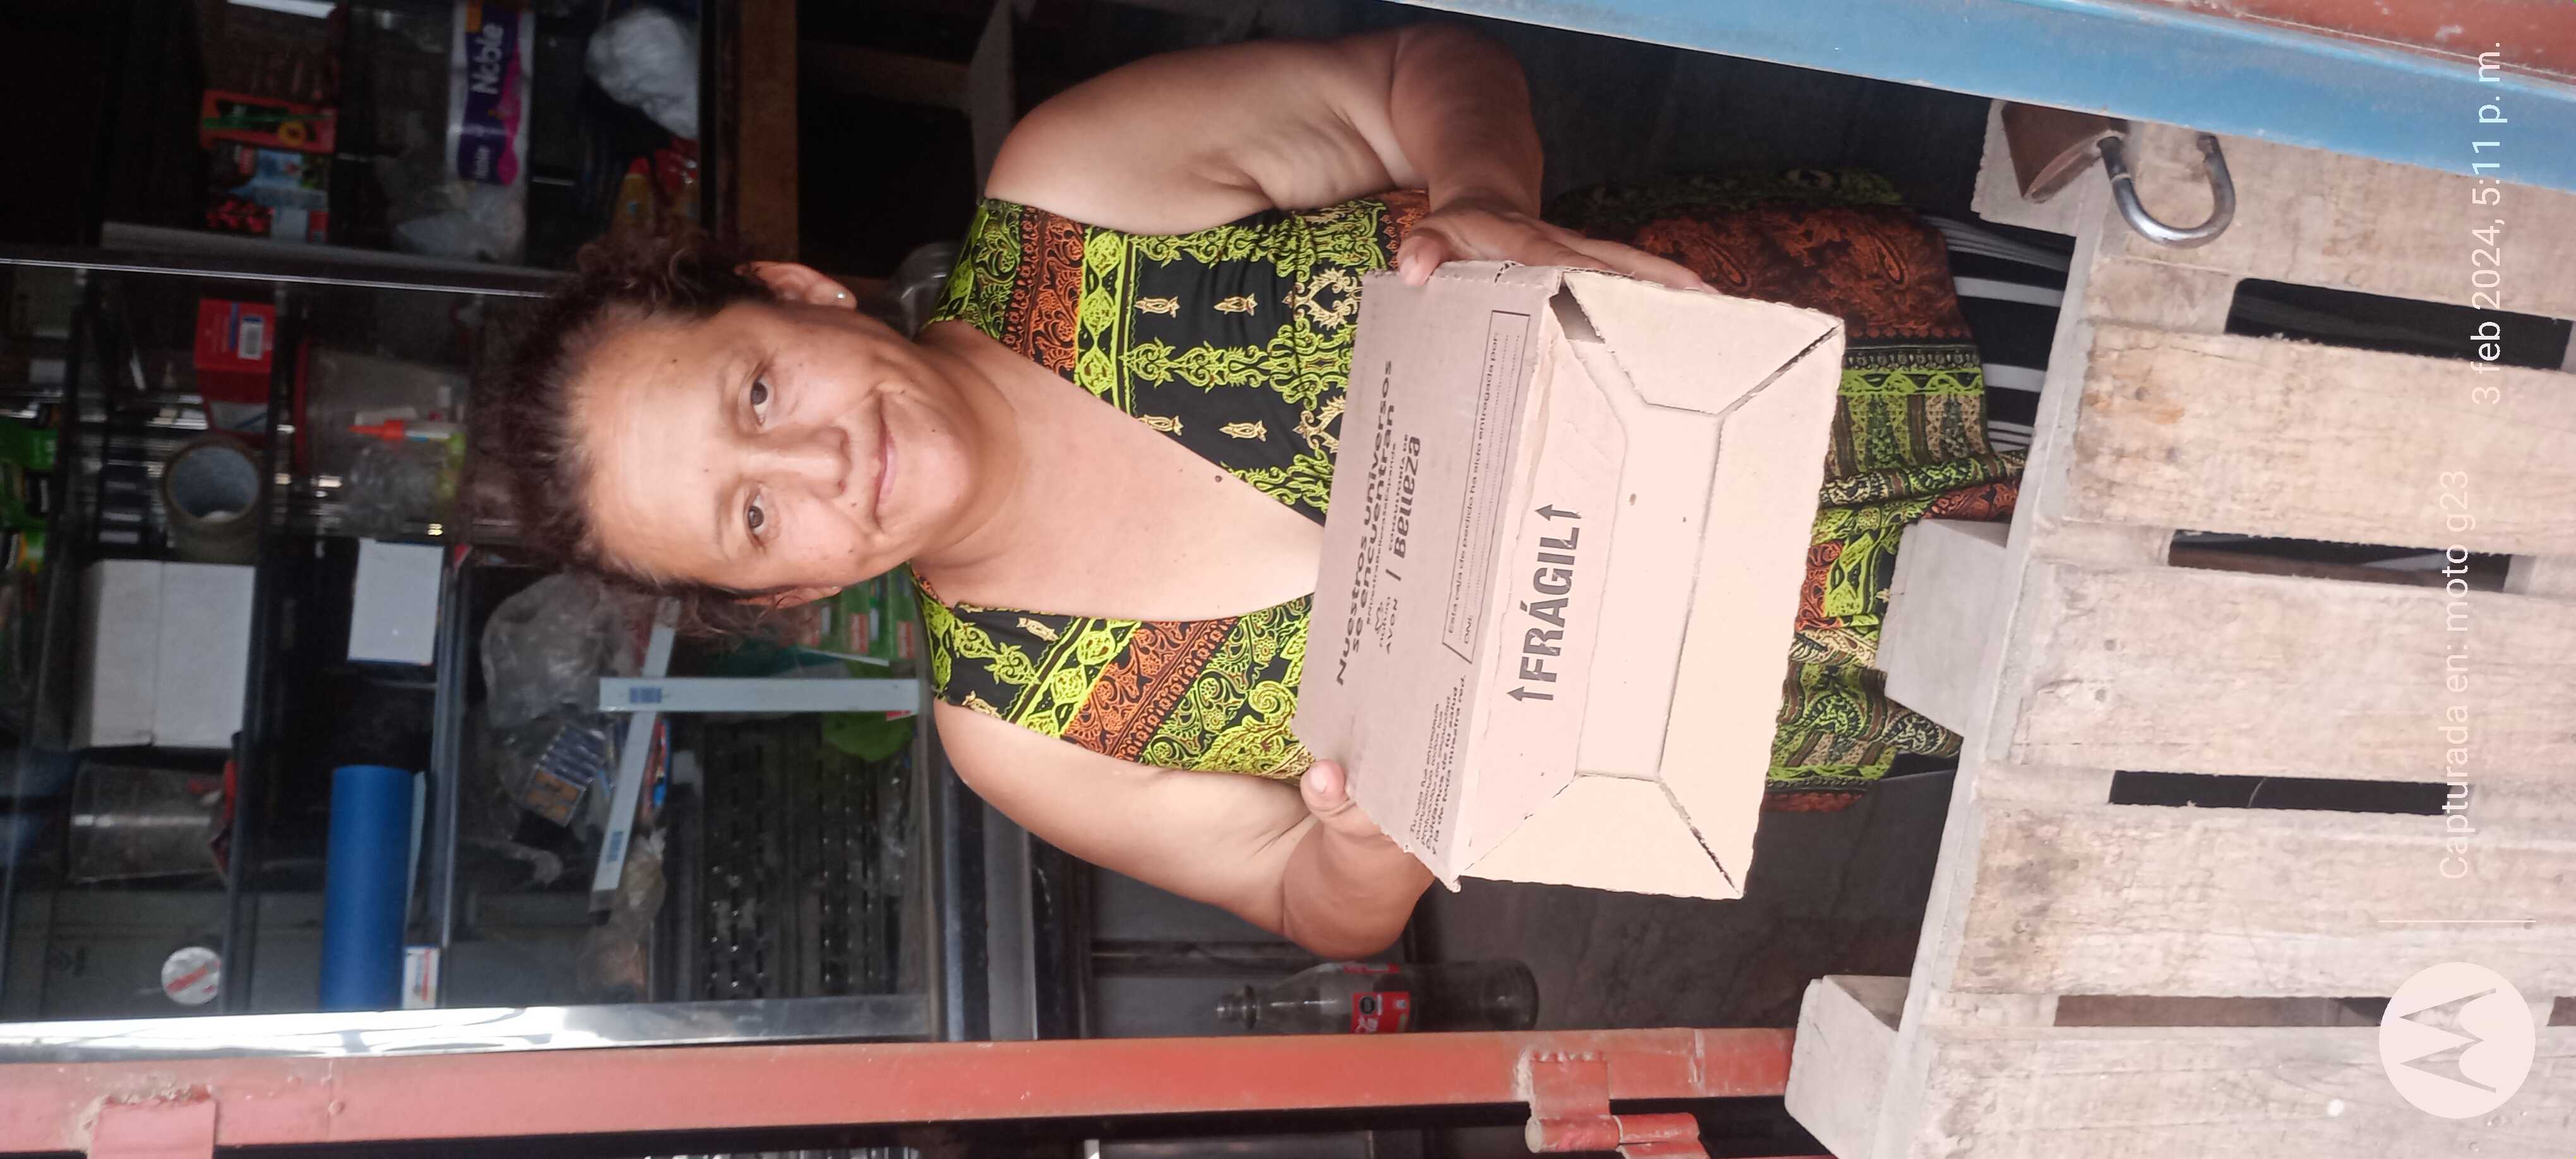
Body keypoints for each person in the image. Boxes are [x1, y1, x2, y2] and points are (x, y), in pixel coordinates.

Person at [474, 25, 2027, 958]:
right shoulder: (1020, 727)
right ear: (793, 592)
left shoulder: (1080, 192)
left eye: (758, 393)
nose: (816, 464)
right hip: (1844, 681)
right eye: (754, 519)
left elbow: (1421, 72)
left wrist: (1485, 203)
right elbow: (1311, 906)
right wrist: (1366, 834)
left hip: (1884, 348)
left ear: (800, 294)